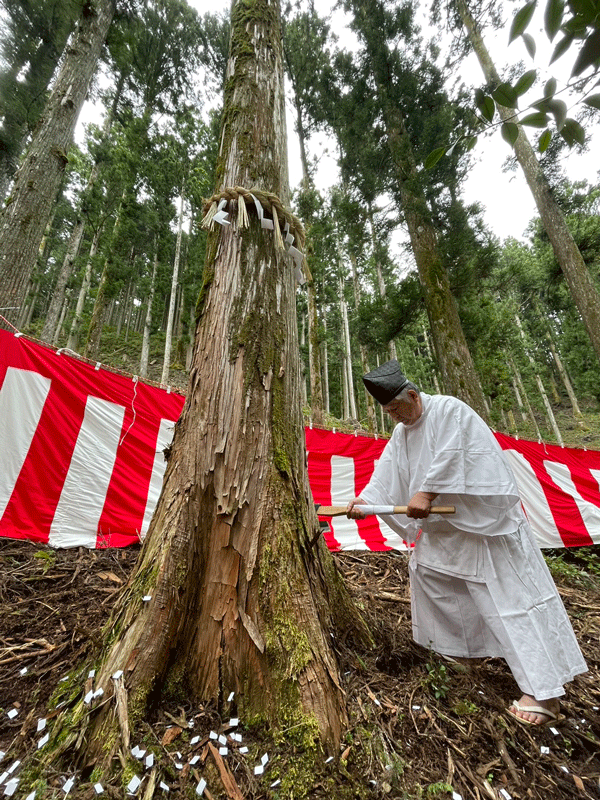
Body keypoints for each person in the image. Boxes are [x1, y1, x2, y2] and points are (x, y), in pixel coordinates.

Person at [347, 359, 587, 727]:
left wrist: (426, 492)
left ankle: (544, 692)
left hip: (483, 530)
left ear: (413, 395)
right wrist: (366, 501)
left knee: (508, 603)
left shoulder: (449, 410)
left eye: (398, 408)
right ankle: (464, 654)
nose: (395, 417)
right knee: (432, 578)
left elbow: (457, 454)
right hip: (444, 533)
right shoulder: (401, 432)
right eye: (389, 412)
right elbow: (388, 470)